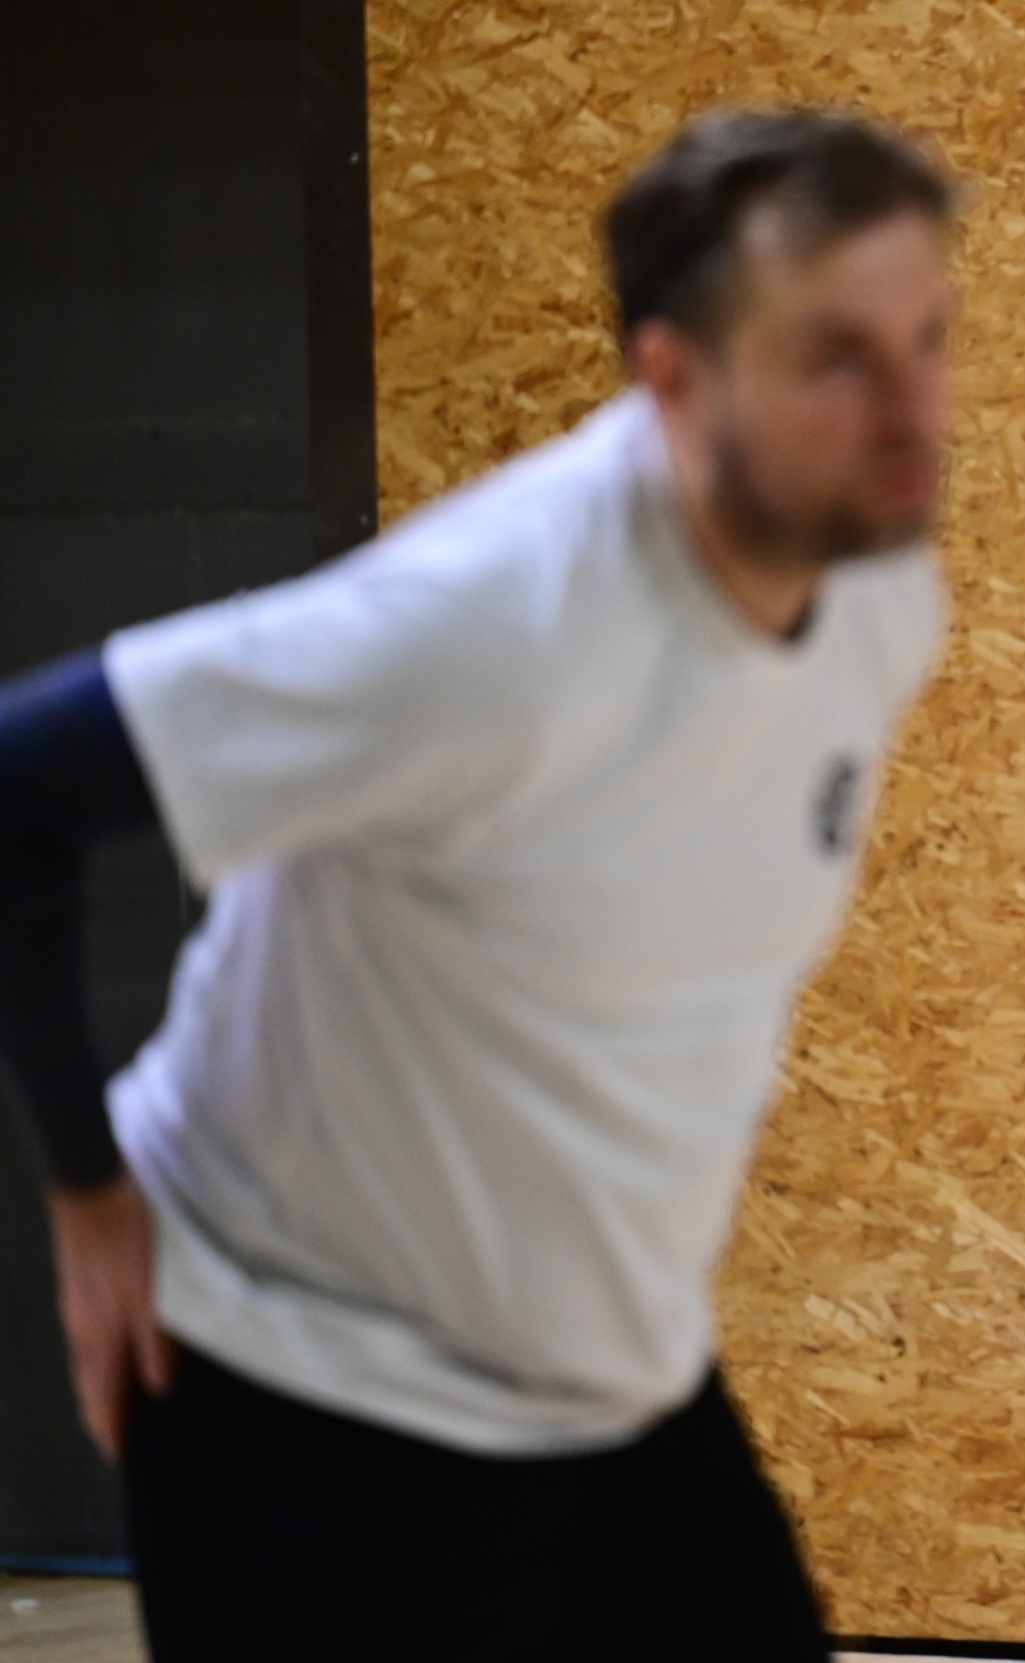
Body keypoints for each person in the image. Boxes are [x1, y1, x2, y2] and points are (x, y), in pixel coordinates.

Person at [0, 107, 954, 1661]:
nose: (912, 411)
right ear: (672, 378)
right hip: (309, 1396)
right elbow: (21, 784)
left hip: (612, 1377)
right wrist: (87, 1188)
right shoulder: (486, 629)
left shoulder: (879, 581)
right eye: (835, 357)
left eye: (929, 339)